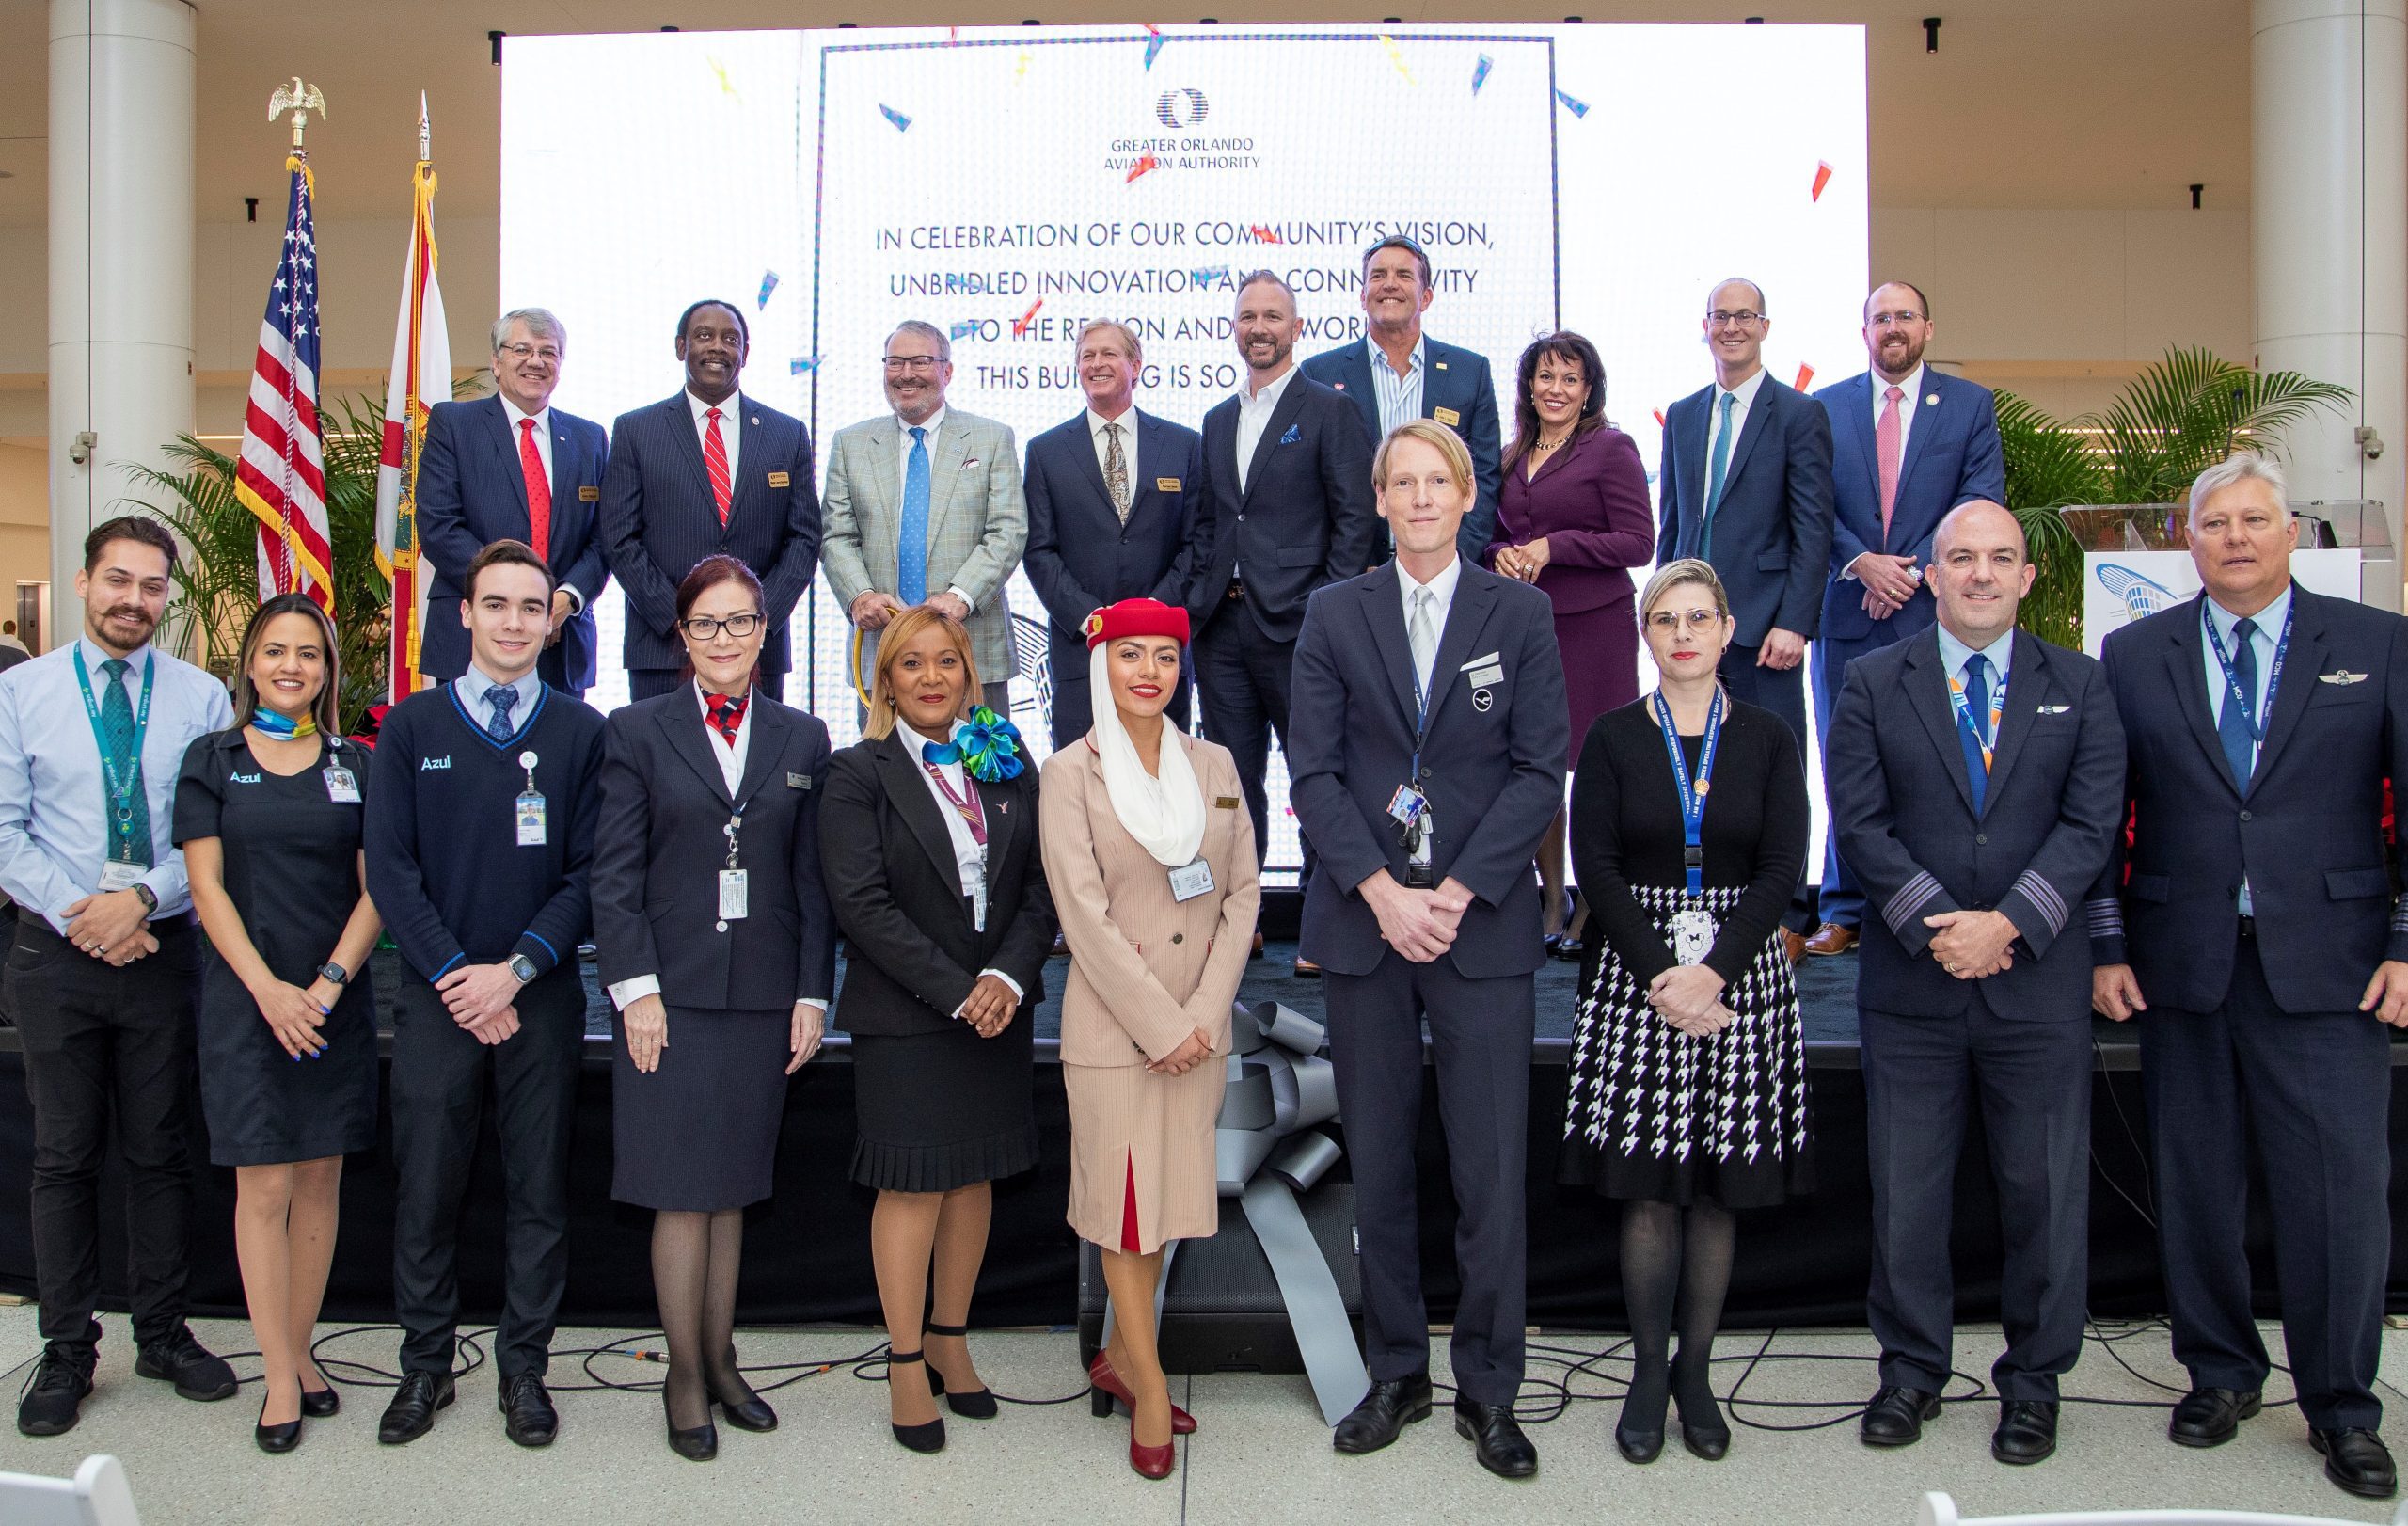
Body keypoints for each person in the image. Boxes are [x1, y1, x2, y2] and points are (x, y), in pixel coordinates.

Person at [2088, 453, 2408, 1502]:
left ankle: (2340, 1405)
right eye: (2213, 522)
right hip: (2180, 962)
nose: (2233, 536)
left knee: (2337, 1197)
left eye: (2254, 519)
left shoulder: (2375, 644)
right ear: (2188, 540)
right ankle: (2220, 1374)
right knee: (2196, 1183)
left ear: (2290, 532)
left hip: (2333, 965)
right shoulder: (2132, 653)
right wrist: (2104, 943)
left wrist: (2406, 942)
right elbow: (2100, 816)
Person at [1290, 421, 1567, 1479]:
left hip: (1478, 923)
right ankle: (1397, 1368)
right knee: (1383, 1159)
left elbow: (1541, 769)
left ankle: (1491, 1388)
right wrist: (1379, 889)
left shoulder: (1521, 613)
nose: (1415, 498)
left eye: (1432, 481)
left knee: (1490, 1167)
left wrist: (1448, 891)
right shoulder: (1332, 612)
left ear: (1463, 496)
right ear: (1380, 498)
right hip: (1365, 929)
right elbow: (1311, 772)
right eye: (1398, 482)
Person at [1827, 501, 2123, 1466]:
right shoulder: (1873, 681)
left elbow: (2089, 824)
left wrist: (2008, 922)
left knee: (2042, 1190)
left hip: (2035, 981)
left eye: (2001, 558)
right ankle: (1910, 1370)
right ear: (1933, 573)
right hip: (1913, 985)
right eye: (1962, 557)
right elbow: (1860, 825)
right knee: (1905, 1190)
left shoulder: (2080, 682)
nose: (1982, 573)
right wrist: (1937, 924)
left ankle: (2033, 1381)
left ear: (2028, 577)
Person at [1560, 557, 1811, 1466]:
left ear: (1728, 628)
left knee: (1715, 1194)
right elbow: (1597, 868)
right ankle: (1644, 1376)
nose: (1683, 634)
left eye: (1699, 617)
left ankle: (1696, 1375)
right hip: (1640, 976)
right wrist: (1668, 971)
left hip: (1741, 977)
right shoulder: (1616, 736)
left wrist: (1717, 972)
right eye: (1665, 619)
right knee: (1651, 1192)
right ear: (1646, 634)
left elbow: (1785, 866)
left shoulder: (1773, 738)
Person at [592, 554, 836, 1462]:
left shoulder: (804, 737)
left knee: (732, 1193)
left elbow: (812, 884)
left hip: (765, 997)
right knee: (679, 1196)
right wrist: (636, 990)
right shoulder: (636, 731)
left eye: (740, 623)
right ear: (680, 636)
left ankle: (724, 1359)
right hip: (669, 996)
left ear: (764, 632)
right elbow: (613, 878)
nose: (723, 640)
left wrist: (814, 992)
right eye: (706, 625)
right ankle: (683, 1376)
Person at [364, 538, 606, 1448]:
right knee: (427, 1185)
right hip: (437, 997)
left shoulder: (584, 733)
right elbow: (389, 867)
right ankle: (425, 1366)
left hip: (538, 994)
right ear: (463, 614)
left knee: (538, 1188)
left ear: (553, 622)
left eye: (530, 607)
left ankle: (524, 1372)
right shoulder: (412, 727)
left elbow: (590, 872)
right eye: (494, 604)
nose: (512, 622)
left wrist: (516, 970)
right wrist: (460, 978)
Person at [0, 516, 238, 1438]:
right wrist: (86, 912)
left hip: (161, 944)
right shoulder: (20, 692)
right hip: (53, 951)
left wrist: (139, 898)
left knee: (159, 1149)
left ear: (167, 597)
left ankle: (165, 1330)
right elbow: (6, 829)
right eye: (118, 580)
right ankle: (66, 1347)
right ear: (84, 580)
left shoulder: (200, 696)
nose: (133, 599)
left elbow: (210, 834)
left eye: (150, 586)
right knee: (63, 1155)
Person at [817, 605, 1054, 1454]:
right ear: (885, 680)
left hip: (997, 1008)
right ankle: (907, 1358)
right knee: (914, 1184)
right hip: (910, 1014)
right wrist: (960, 991)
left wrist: (1006, 978)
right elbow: (863, 907)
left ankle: (953, 1339)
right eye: (910, 664)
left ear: (969, 672)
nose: (929, 678)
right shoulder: (857, 774)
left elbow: (1040, 885)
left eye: (945, 662)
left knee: (974, 1177)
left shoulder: (1007, 757)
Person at [1038, 596, 1259, 1481]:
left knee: (1161, 1203)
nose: (1149, 673)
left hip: (1196, 1032)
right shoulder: (1068, 773)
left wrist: (1203, 1017)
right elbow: (1081, 917)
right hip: (1116, 1032)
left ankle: (1123, 1357)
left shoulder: (1215, 762)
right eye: (1130, 655)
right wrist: (1165, 1024)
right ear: (1101, 665)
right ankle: (1152, 1385)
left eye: (1165, 658)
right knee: (1126, 1211)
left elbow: (1242, 893)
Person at [175, 595, 383, 1454]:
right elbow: (205, 888)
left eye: (308, 654)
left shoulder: (356, 764)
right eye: (274, 652)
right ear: (250, 664)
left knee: (320, 1181)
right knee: (262, 1187)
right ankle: (276, 1376)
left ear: (328, 671)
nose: (291, 666)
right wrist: (270, 991)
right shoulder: (212, 759)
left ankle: (302, 1354)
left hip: (334, 1003)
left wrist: (327, 986)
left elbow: (380, 889)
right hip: (246, 1005)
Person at [1806, 281, 2006, 956]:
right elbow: (1809, 506)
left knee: (1934, 765)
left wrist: (1912, 568)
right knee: (1846, 763)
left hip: (1933, 613)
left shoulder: (1970, 407)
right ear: (1864, 331)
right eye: (1880, 317)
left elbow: (1982, 498)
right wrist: (1863, 561)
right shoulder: (1824, 408)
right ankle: (1843, 909)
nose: (1892, 327)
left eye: (1905, 317)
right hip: (1848, 611)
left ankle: (1929, 903)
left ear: (1928, 327)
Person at [1187, 270, 1377, 974]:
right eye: (1247, 317)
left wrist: (1326, 608)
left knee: (1317, 776)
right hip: (1223, 632)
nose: (1258, 327)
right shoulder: (1216, 419)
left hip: (1302, 627)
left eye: (1272, 316)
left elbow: (1355, 519)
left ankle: (1327, 928)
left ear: (1297, 328)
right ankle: (1243, 925)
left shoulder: (1330, 410)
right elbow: (1214, 521)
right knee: (1231, 788)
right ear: (1233, 329)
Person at [1483, 331, 1656, 956]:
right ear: (1528, 386)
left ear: (1589, 391)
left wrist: (1556, 547)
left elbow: (1639, 543)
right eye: (1545, 377)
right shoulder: (1509, 455)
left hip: (1594, 627)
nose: (1556, 390)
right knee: (1535, 766)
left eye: (1570, 379)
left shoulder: (1611, 449)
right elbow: (1491, 538)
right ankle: (1552, 898)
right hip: (1526, 629)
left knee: (1596, 768)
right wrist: (1503, 554)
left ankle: (1595, 905)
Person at [598, 298, 823, 701]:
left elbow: (804, 539)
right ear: (681, 347)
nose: (717, 346)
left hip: (758, 652)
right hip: (663, 648)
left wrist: (753, 619)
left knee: (757, 764)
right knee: (661, 764)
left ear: (746, 353)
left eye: (730, 338)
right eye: (704, 336)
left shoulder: (786, 434)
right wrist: (684, 619)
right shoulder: (636, 430)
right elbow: (619, 537)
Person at [1656, 278, 1834, 756]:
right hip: (1690, 630)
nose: (1732, 327)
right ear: (1706, 326)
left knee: (1770, 769)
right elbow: (1672, 527)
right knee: (1690, 767)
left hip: (1766, 634)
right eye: (1721, 317)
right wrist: (1659, 614)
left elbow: (1813, 531)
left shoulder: (1800, 414)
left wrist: (1795, 624)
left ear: (1764, 327)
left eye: (1745, 317)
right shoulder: (1683, 414)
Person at [823, 320, 1030, 717]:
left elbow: (1007, 530)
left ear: (947, 371)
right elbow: (837, 535)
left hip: (971, 646)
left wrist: (960, 597)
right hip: (882, 649)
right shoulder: (851, 444)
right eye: (895, 362)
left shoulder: (991, 438)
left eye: (920, 361)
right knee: (884, 775)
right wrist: (859, 596)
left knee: (983, 774)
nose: (906, 374)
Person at [1024, 320, 1203, 751]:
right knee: (1082, 787)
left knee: (1165, 779)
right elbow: (1038, 550)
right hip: (1080, 651)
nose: (1097, 364)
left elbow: (1199, 541)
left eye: (1109, 354)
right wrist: (1092, 618)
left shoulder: (1184, 445)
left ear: (1135, 365)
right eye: (1087, 356)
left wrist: (1153, 611)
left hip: (1161, 652)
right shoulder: (1045, 452)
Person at [416, 308, 612, 695]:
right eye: (522, 349)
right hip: (469, 639)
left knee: (561, 756)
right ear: (496, 360)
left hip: (561, 639)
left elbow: (604, 538)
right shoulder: (453, 425)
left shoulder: (590, 438)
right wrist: (519, 602)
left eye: (549, 352)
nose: (536, 361)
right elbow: (439, 526)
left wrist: (563, 601)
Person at [1301, 233, 1504, 563]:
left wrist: (1453, 560)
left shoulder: (1470, 372)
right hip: (1355, 575)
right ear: (1363, 296)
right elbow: (1310, 485)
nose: (1389, 284)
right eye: (1378, 275)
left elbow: (1484, 477)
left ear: (1426, 297)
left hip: (1448, 571)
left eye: (1404, 275)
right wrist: (1346, 569)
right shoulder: (1320, 373)